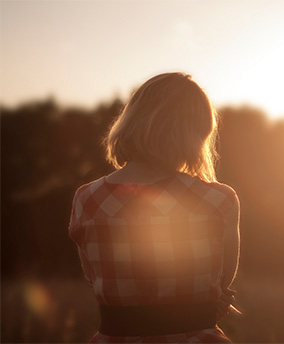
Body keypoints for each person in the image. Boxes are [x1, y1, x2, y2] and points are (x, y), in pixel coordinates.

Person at [68, 73, 240, 343]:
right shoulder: (218, 200)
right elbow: (221, 283)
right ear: (196, 134)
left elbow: (97, 280)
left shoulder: (87, 199)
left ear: (132, 120)